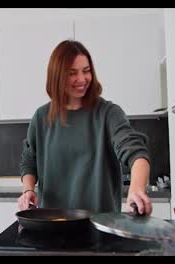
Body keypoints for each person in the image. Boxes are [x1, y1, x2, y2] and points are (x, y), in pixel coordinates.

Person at [17, 40, 152, 216]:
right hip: (52, 225)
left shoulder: (108, 113)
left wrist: (136, 190)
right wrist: (28, 191)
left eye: (86, 71)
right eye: (72, 73)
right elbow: (29, 161)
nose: (82, 79)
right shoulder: (41, 117)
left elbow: (136, 153)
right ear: (57, 76)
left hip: (101, 226)